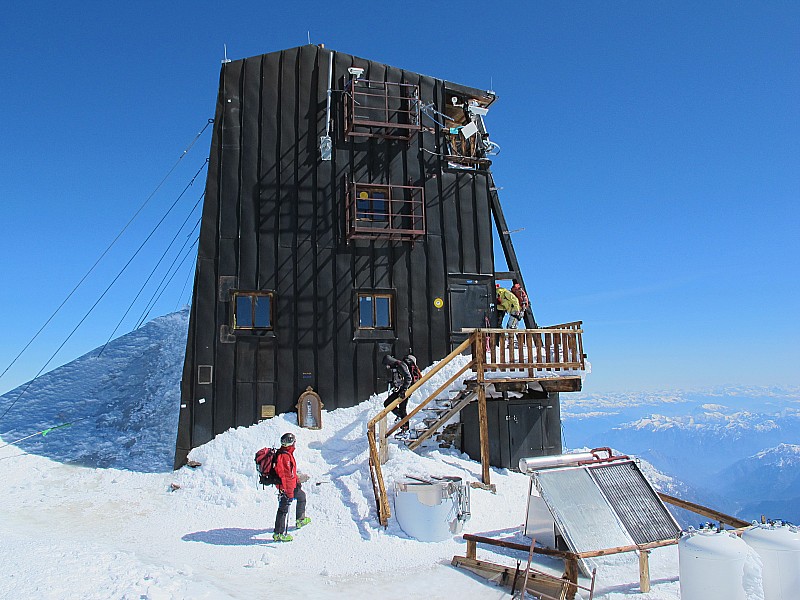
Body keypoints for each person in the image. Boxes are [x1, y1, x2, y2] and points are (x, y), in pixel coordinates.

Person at [272, 432, 311, 542]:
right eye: (293, 442)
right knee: (283, 509)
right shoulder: (284, 457)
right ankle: (278, 533)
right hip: (286, 487)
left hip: (291, 485)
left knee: (301, 496)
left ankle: (300, 519)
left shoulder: (286, 453)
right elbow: (286, 476)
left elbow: (291, 473)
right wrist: (288, 492)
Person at [382, 354, 412, 432]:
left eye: (387, 365)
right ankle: (401, 418)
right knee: (387, 403)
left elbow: (408, 378)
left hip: (405, 390)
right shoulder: (396, 366)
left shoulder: (401, 365)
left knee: (402, 408)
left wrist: (403, 390)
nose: (387, 367)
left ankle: (405, 428)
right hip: (401, 390)